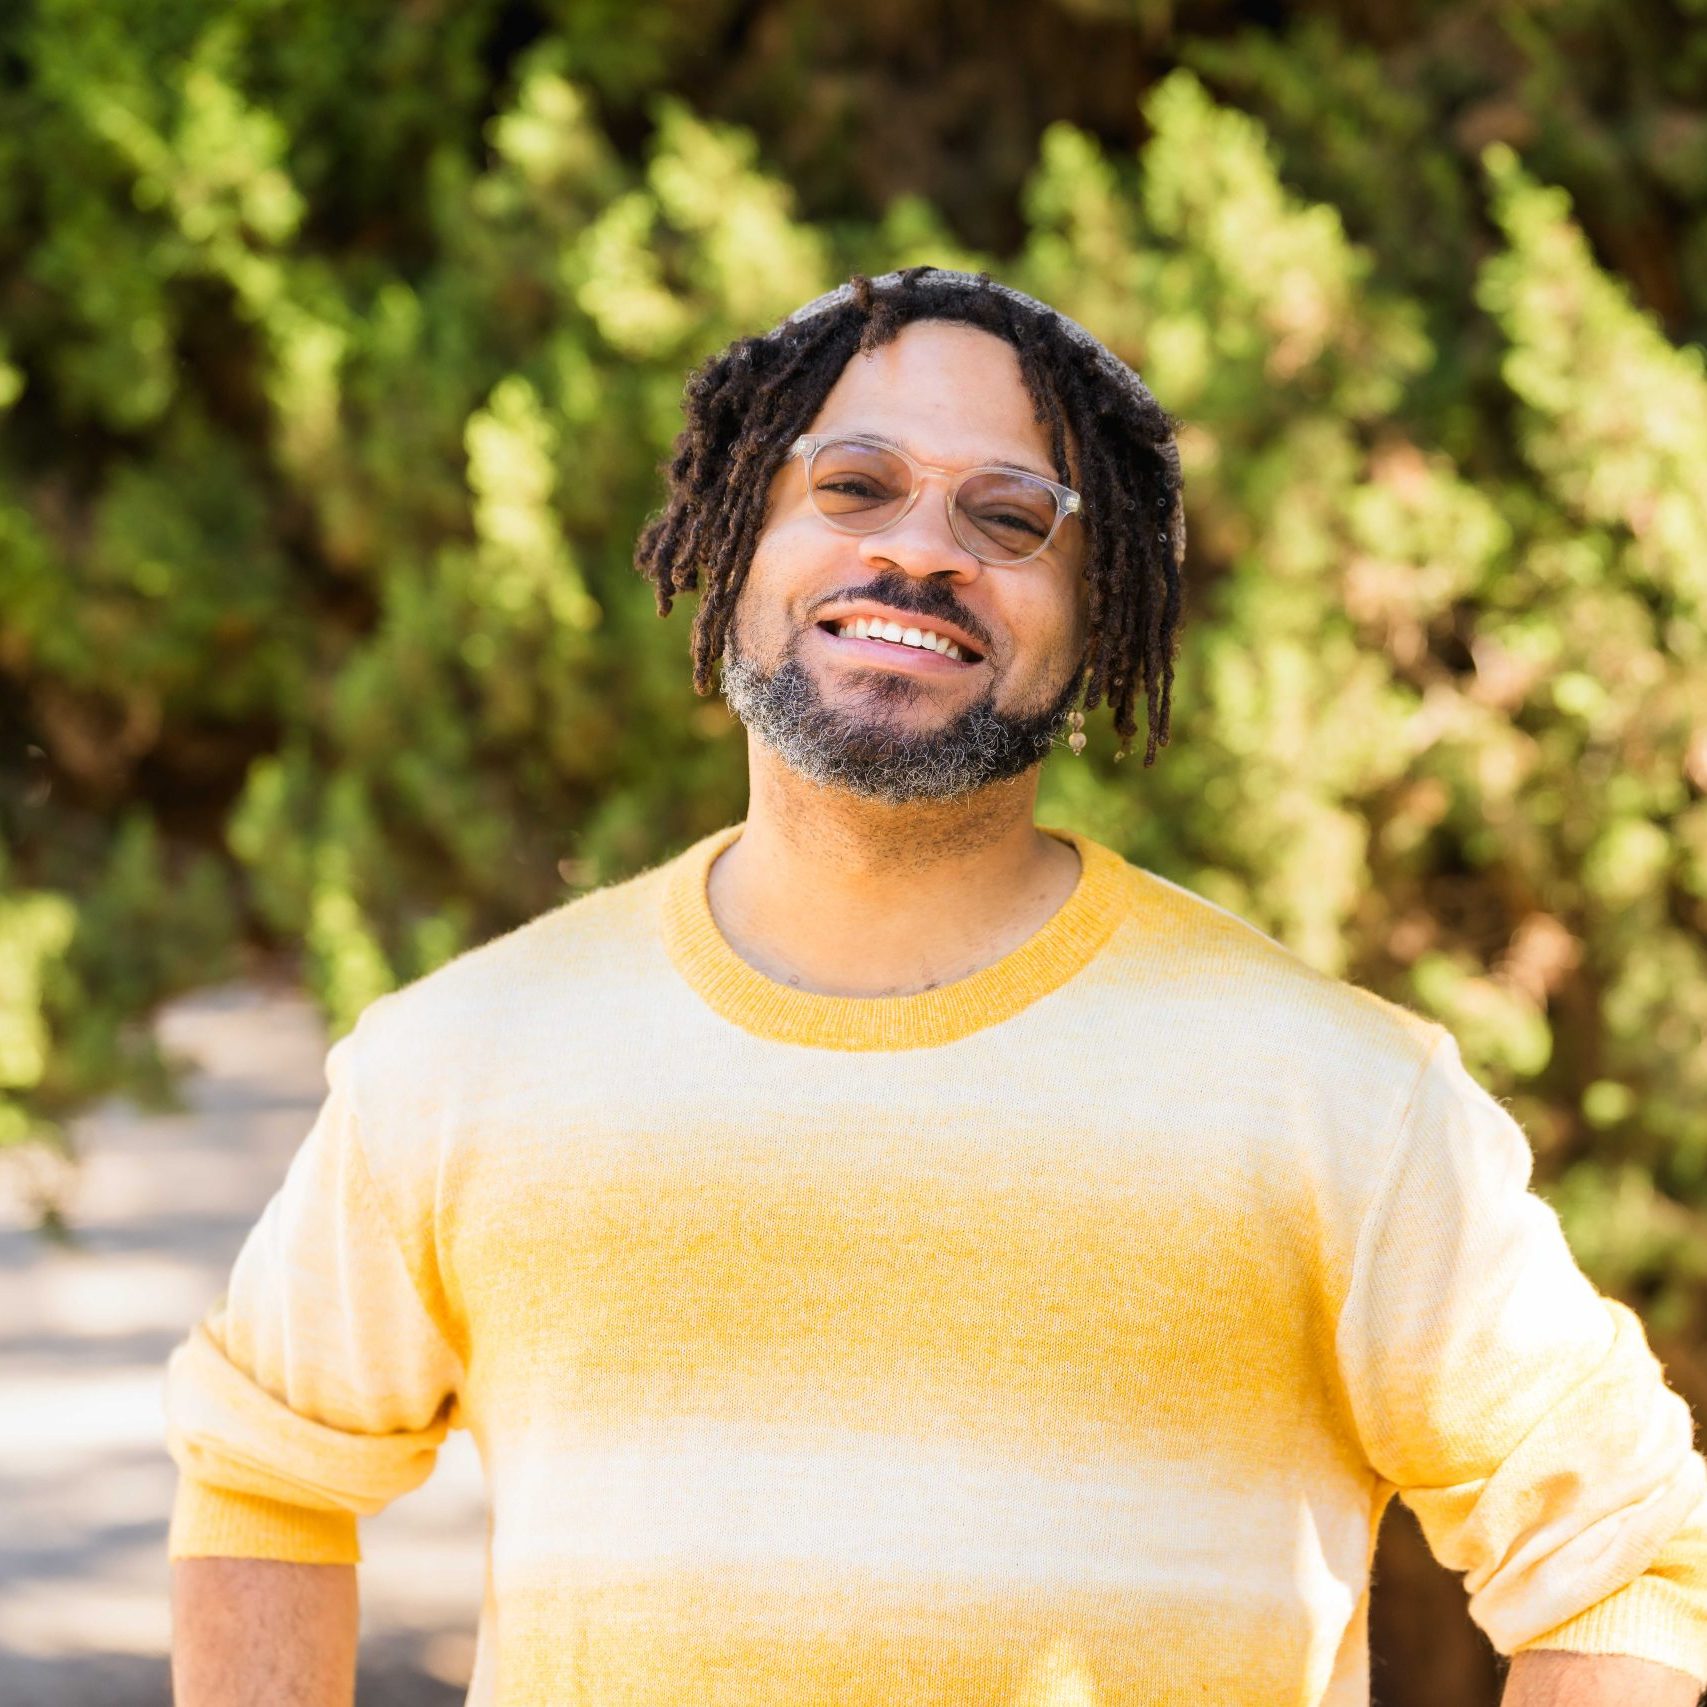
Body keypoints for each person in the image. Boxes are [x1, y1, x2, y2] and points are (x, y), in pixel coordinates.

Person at [166, 266, 1707, 1706]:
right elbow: (263, 1480)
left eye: (1011, 515)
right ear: (731, 538)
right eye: (851, 487)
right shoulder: (463, 1060)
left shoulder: (1338, 1103)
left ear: (1096, 615)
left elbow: (1625, 1562)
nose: (919, 550)